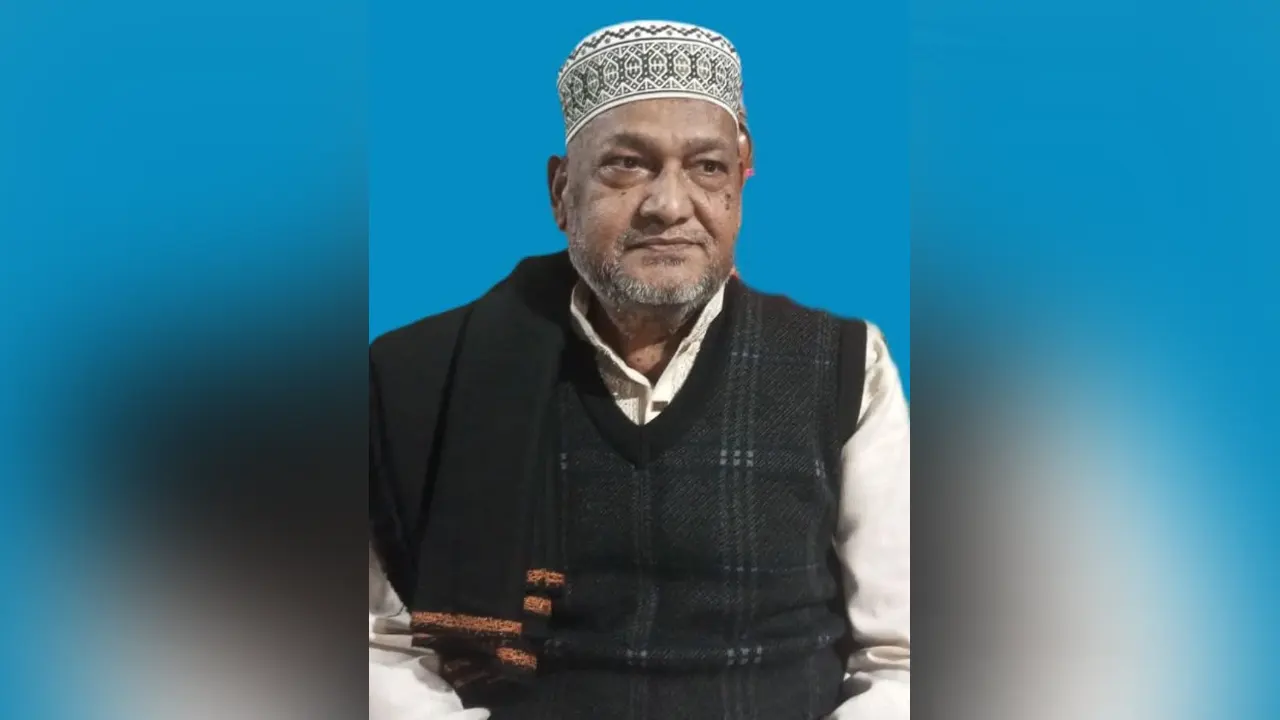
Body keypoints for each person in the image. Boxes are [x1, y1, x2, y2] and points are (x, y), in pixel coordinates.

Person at [369, 20, 909, 720]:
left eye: (707, 167)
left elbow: (900, 657)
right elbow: (380, 647)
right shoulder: (425, 379)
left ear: (738, 186)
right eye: (627, 164)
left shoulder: (845, 366)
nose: (669, 205)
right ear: (561, 192)